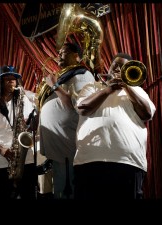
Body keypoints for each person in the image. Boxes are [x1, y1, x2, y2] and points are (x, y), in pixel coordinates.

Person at [73, 53, 156, 199]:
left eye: (123, 67)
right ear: (109, 67)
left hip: (128, 162)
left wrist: (127, 86)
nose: (118, 68)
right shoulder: (92, 87)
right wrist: (108, 90)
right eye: (115, 64)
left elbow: (146, 114)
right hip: (90, 160)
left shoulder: (137, 90)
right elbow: (83, 109)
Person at [39, 42, 95, 199]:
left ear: (76, 56)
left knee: (68, 189)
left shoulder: (82, 74)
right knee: (60, 188)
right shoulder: (66, 75)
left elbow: (77, 105)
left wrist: (55, 85)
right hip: (58, 145)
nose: (58, 56)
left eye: (63, 53)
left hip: (68, 143)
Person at [0, 65, 37, 199]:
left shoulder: (23, 100)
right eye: (7, 79)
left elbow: (32, 126)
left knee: (28, 194)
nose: (11, 82)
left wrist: (37, 110)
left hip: (25, 160)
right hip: (1, 161)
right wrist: (1, 149)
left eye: (14, 79)